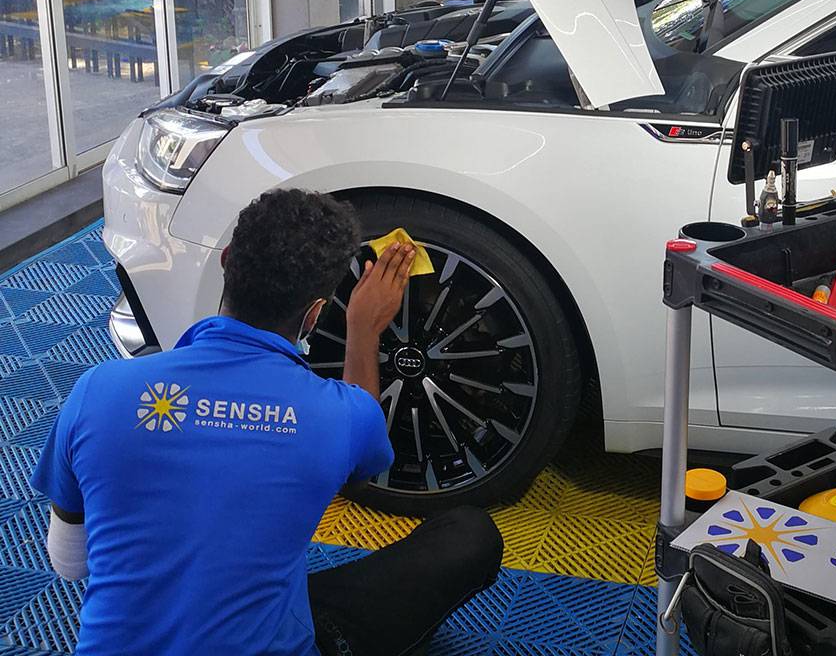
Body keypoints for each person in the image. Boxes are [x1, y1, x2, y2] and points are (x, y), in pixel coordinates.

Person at [31, 189, 503, 656]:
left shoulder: (99, 389)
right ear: (316, 313)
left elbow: (69, 563)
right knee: (469, 535)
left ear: (227, 260)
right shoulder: (340, 417)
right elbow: (369, 451)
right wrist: (363, 330)